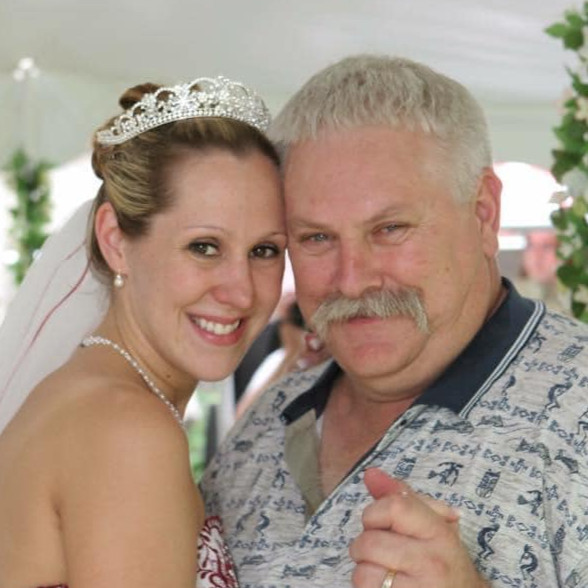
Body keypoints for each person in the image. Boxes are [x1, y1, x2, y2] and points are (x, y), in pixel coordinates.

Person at [201, 55, 588, 587]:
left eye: (389, 229)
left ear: (483, 213)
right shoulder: (268, 420)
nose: (352, 280)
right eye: (317, 237)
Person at [0, 75, 286, 588]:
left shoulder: (83, 397)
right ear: (115, 241)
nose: (241, 292)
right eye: (204, 247)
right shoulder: (127, 432)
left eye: (264, 250)